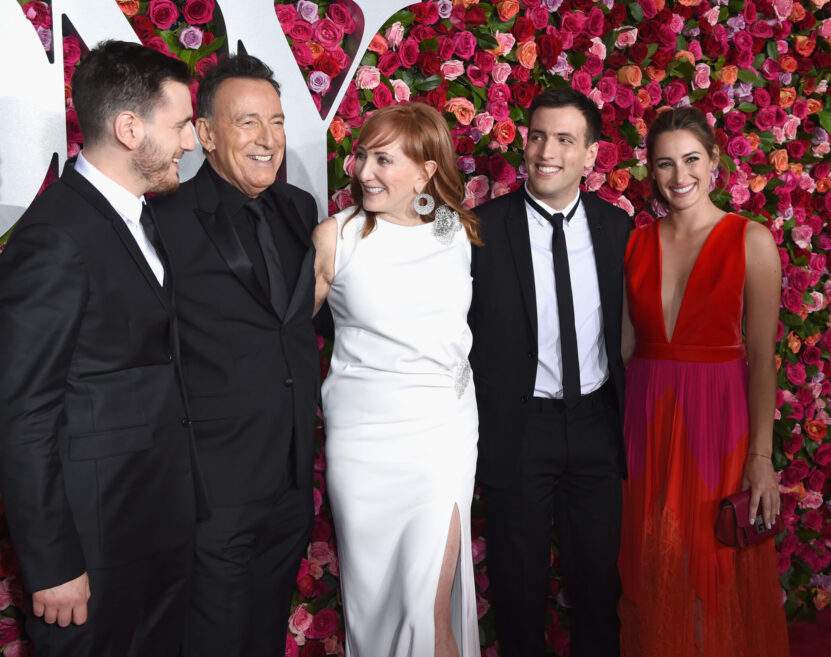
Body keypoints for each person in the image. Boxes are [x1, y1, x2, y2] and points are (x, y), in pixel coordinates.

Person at [0, 40, 199, 657]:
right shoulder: (57, 235)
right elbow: (21, 413)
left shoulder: (140, 215)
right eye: (182, 125)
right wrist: (52, 561)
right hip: (93, 544)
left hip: (155, 523)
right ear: (129, 128)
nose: (190, 143)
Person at [151, 53, 318, 657]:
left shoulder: (300, 210)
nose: (267, 139)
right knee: (214, 638)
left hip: (293, 474)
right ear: (205, 133)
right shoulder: (162, 218)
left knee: (266, 631)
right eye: (248, 123)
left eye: (275, 122)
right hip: (214, 484)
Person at [618, 106, 789, 657]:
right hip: (646, 426)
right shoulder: (634, 244)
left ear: (715, 162)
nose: (679, 176)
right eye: (664, 164)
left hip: (719, 427)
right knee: (654, 563)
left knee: (711, 564)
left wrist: (761, 459)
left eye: (691, 159)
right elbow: (625, 350)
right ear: (650, 170)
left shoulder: (751, 240)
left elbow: (763, 358)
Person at [313, 102, 482, 657]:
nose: (364, 172)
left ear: (427, 169)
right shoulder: (335, 237)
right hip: (362, 445)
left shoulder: (454, 231)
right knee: (376, 604)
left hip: (439, 437)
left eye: (384, 159)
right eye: (363, 155)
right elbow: (280, 339)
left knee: (425, 605)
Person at [469, 88, 630, 657]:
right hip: (518, 430)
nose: (546, 151)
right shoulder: (482, 229)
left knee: (597, 588)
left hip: (595, 427)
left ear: (591, 156)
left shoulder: (619, 231)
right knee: (517, 592)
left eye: (565, 139)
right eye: (538, 135)